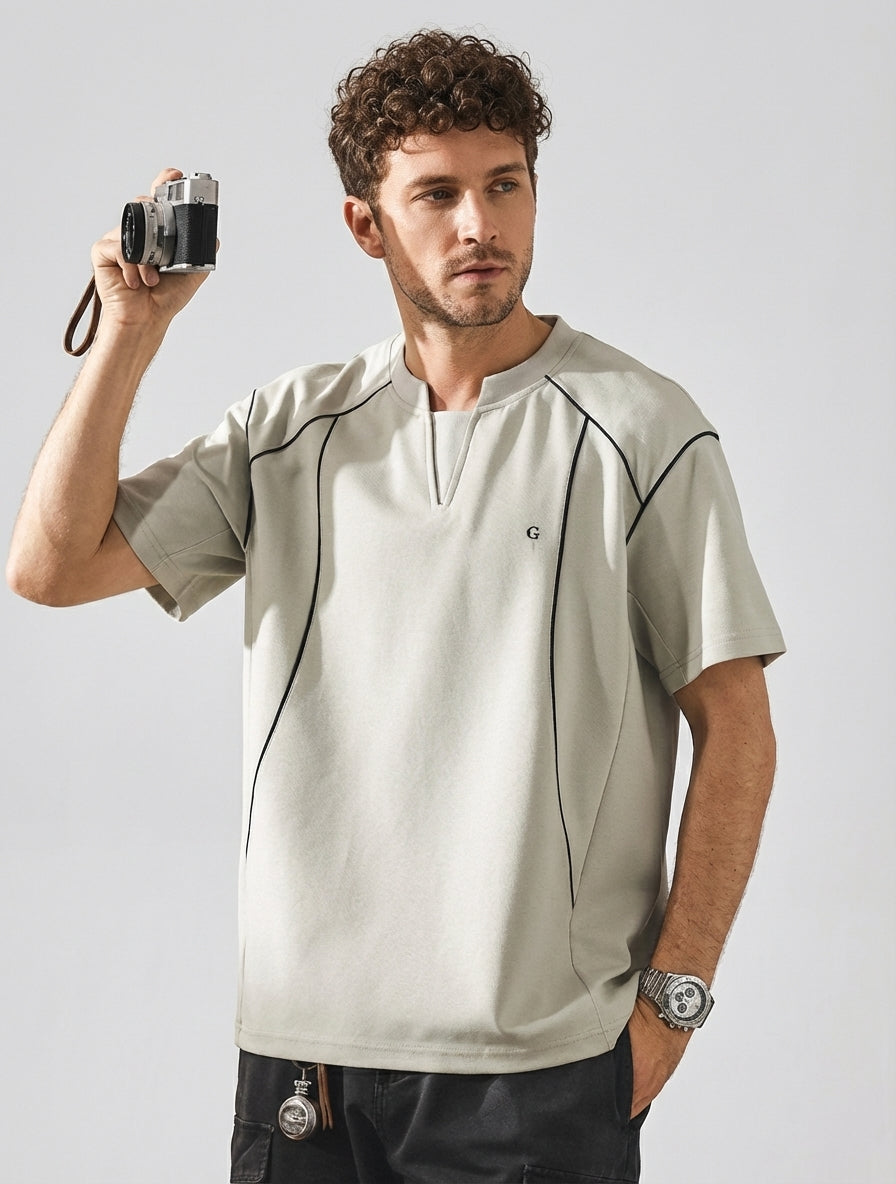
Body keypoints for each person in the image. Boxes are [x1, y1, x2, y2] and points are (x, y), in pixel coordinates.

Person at [7, 29, 784, 1184]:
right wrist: (131, 331)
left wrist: (670, 1004)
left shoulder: (640, 428)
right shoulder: (287, 428)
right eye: (436, 194)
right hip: (302, 1065)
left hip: (538, 1069)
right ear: (365, 225)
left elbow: (738, 729)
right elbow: (51, 564)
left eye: (503, 185)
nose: (479, 225)